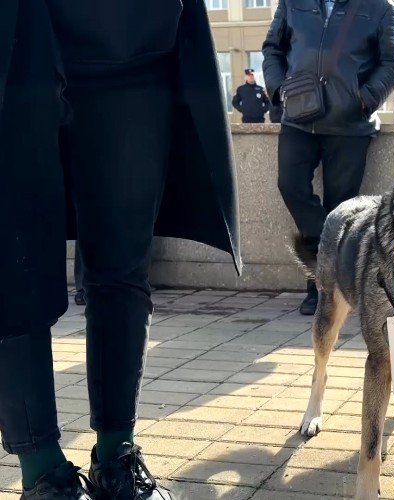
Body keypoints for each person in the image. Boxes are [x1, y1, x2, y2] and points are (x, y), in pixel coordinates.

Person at [0, 1, 242, 498]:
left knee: (123, 264)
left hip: (135, 48)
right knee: (11, 264)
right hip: (11, 37)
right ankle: (42, 473)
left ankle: (117, 460)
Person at [262, 0, 394, 315]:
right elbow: (273, 49)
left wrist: (365, 99)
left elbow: (393, 63)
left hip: (350, 125)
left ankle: (321, 290)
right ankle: (325, 269)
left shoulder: (379, 7)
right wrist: (279, 90)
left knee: (340, 205)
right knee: (291, 186)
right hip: (298, 118)